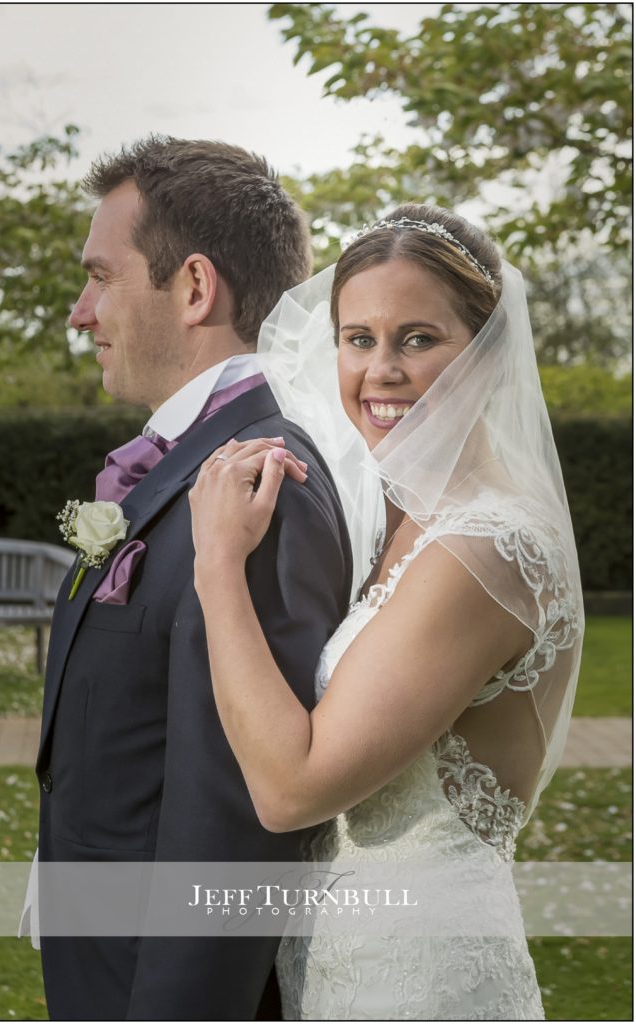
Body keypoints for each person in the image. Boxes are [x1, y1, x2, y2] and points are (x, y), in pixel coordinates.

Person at [188, 204, 585, 1020]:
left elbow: (291, 790)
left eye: (417, 338)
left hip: (422, 976)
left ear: (487, 351)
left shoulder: (480, 551)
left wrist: (218, 565)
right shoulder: (408, 519)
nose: (380, 371)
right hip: (355, 956)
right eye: (357, 338)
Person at [32, 137, 353, 1020]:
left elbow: (234, 828)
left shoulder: (260, 486)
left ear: (196, 288)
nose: (78, 312)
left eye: (101, 276)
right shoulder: (187, 464)